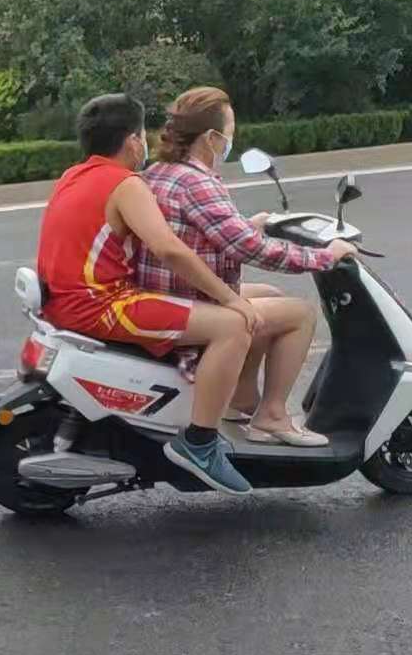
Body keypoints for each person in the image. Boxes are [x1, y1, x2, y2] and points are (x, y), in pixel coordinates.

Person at [36, 94, 262, 494]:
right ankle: (200, 443)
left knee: (254, 298)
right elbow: (169, 249)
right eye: (143, 135)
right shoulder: (124, 183)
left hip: (66, 303)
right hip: (102, 305)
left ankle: (220, 406)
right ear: (132, 141)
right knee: (233, 326)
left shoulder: (74, 174)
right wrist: (230, 299)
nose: (146, 143)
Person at [136, 86, 358, 446]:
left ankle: (240, 399)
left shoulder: (161, 171)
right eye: (230, 131)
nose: (231, 140)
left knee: (270, 294)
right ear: (211, 137)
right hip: (186, 303)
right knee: (300, 314)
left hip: (168, 291)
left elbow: (203, 231)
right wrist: (326, 257)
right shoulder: (197, 181)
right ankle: (272, 415)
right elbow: (251, 250)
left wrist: (249, 225)